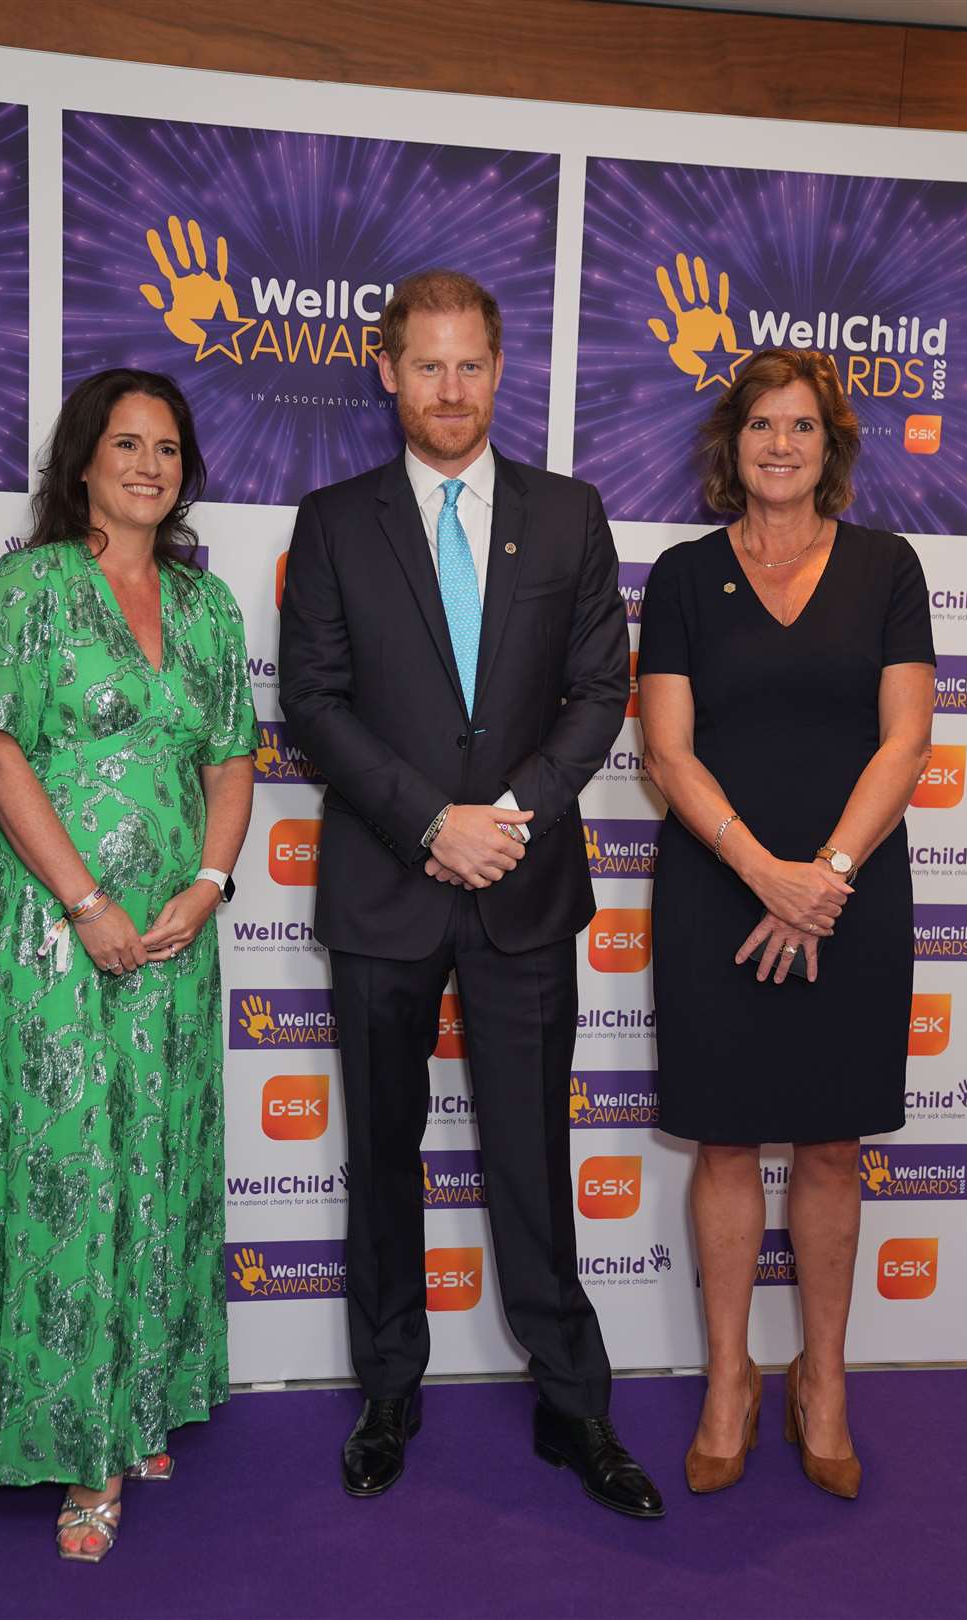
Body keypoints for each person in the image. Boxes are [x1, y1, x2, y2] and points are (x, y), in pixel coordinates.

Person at [279, 269, 662, 1519]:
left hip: (523, 886)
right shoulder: (333, 520)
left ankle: (575, 1406)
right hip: (387, 888)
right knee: (381, 1155)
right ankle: (390, 1389)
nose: (451, 390)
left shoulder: (568, 513)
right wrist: (427, 822)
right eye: (426, 365)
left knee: (531, 1161)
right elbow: (315, 705)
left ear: (501, 371)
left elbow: (601, 690)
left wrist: (506, 821)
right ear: (386, 370)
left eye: (471, 366)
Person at [0, 369, 257, 1559]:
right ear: (83, 461)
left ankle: (134, 1405)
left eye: (167, 448)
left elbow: (232, 763)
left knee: (154, 1172)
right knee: (60, 1179)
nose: (148, 465)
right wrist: (85, 902)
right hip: (48, 944)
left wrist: (205, 887)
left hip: (175, 946)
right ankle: (77, 1451)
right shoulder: (29, 589)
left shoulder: (209, 607)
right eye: (126, 444)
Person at [638, 346, 934, 1500]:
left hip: (851, 892)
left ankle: (826, 1381)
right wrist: (770, 875)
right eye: (760, 425)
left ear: (831, 446)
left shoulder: (887, 567)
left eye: (800, 426)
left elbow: (904, 741)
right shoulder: (679, 576)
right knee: (723, 1141)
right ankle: (730, 1379)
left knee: (827, 1143)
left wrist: (828, 877)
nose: (779, 445)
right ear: (732, 445)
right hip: (721, 885)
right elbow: (667, 749)